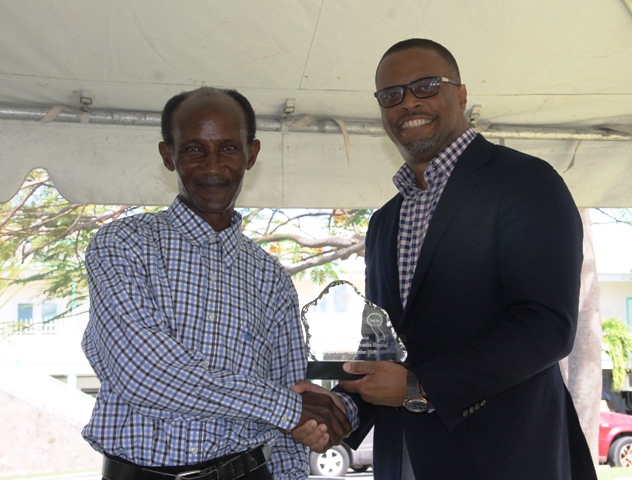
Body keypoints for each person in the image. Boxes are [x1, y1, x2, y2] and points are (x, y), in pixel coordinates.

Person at [292, 39, 598, 480]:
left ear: (461, 94)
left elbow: (546, 325)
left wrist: (421, 388)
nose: (408, 102)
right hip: (406, 458)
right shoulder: (384, 223)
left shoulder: (525, 182)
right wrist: (340, 407)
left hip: (508, 456)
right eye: (391, 95)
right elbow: (386, 345)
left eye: (426, 86)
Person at [81, 86, 350, 480]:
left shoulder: (270, 278)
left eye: (227, 148)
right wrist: (288, 409)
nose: (212, 166)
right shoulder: (122, 245)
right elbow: (145, 373)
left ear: (251, 154)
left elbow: (292, 406)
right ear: (168, 156)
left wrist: (298, 420)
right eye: (193, 149)